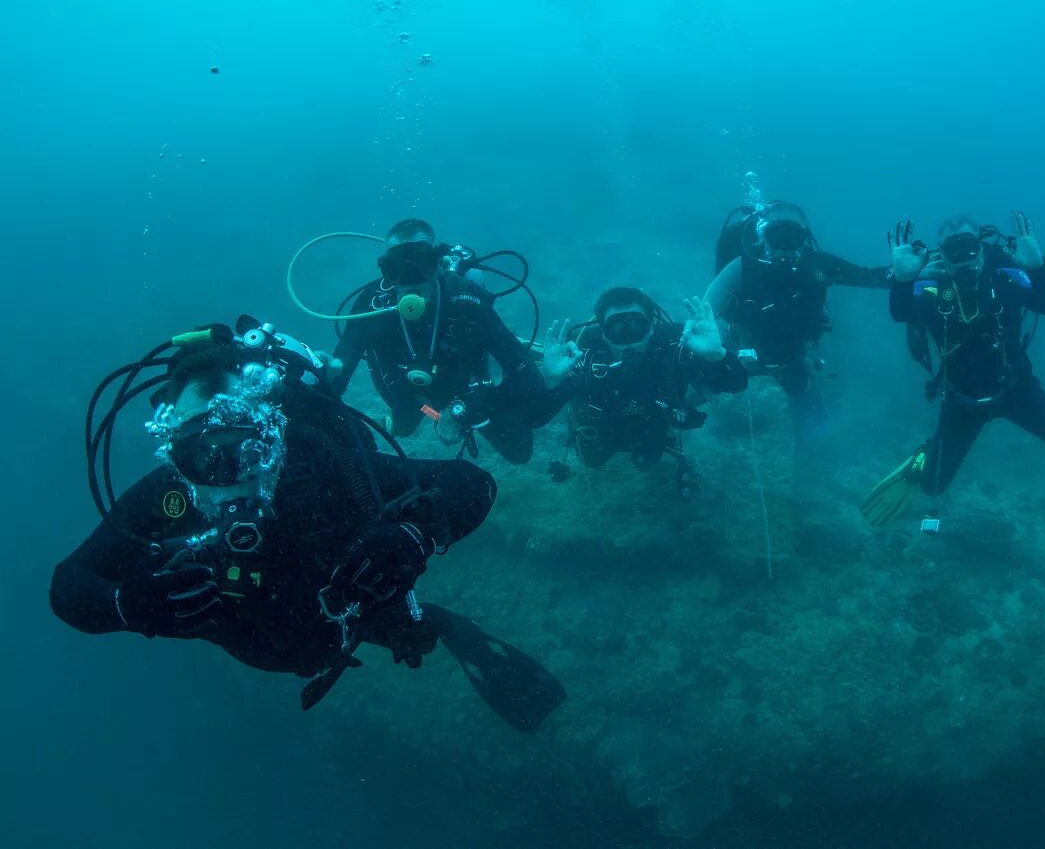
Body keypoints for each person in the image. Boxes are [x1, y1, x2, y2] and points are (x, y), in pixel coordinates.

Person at [51, 318, 565, 729]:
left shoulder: (320, 466)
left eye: (245, 448)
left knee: (406, 621)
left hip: (354, 614)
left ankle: (433, 625)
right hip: (260, 635)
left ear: (272, 434)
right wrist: (126, 604)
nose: (226, 477)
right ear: (173, 454)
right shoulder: (169, 495)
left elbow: (471, 483)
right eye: (198, 458)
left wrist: (411, 535)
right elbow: (69, 586)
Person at [860, 213, 1045, 527]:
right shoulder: (928, 285)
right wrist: (903, 280)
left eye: (969, 247)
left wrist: (1037, 267)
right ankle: (923, 458)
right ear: (941, 253)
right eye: (954, 250)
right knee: (932, 486)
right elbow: (901, 313)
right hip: (961, 399)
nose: (964, 259)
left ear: (981, 246)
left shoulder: (1007, 274)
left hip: (1015, 388)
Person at [324, 219, 546, 464]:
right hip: (413, 396)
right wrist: (324, 374)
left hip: (468, 390)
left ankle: (493, 360)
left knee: (520, 452)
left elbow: (526, 377)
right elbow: (338, 369)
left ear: (438, 264)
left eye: (422, 263)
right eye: (396, 268)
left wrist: (464, 409)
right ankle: (424, 412)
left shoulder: (465, 301)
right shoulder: (372, 306)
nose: (410, 278)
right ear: (386, 271)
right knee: (404, 426)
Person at [537, 289, 747, 495]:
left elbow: (737, 384)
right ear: (602, 331)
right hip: (598, 427)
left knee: (649, 461)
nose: (628, 337)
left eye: (637, 325)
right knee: (592, 461)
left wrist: (717, 355)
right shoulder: (583, 354)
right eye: (616, 327)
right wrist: (550, 380)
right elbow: (537, 415)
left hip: (653, 423)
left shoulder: (674, 346)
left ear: (652, 327)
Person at [704, 200, 891, 430]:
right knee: (712, 386)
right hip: (745, 351)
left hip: (793, 356)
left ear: (804, 240)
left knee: (806, 406)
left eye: (793, 237)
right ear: (764, 239)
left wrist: (905, 273)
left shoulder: (817, 266)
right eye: (776, 236)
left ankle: (814, 451)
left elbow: (869, 277)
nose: (785, 246)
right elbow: (704, 313)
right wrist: (707, 344)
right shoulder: (742, 268)